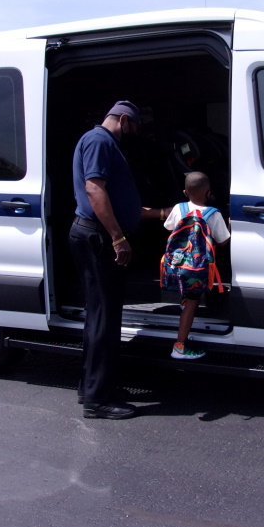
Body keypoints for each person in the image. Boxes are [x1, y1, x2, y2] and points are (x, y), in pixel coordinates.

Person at [69, 100, 169, 419]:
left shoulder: (102, 142)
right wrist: (117, 236)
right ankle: (98, 401)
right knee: (105, 317)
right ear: (123, 119)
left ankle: (92, 386)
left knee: (98, 315)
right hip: (98, 237)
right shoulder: (100, 141)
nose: (135, 133)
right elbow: (95, 190)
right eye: (134, 127)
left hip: (94, 234)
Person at [163, 171, 230, 360]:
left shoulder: (178, 208)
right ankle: (179, 347)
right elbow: (223, 241)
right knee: (194, 302)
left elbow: (169, 228)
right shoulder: (213, 214)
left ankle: (184, 302)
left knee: (188, 295)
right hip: (197, 267)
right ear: (209, 193)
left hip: (177, 265)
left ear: (185, 192)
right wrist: (229, 224)